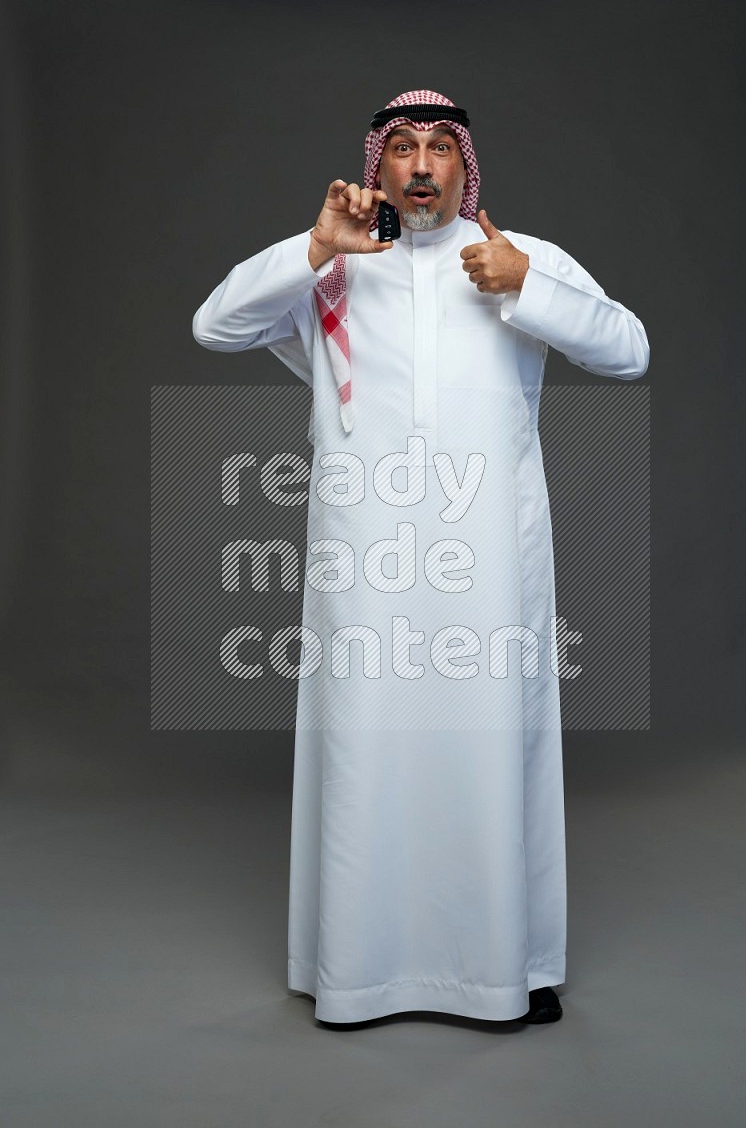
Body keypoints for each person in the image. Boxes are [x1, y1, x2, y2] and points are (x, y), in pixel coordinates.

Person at [192, 89, 649, 1029]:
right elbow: (216, 325)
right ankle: (357, 971)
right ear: (378, 167)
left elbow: (630, 352)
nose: (423, 165)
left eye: (442, 147)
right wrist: (315, 248)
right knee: (366, 751)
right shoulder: (338, 270)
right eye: (402, 148)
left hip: (487, 563)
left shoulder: (520, 258)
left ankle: (508, 963)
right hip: (366, 563)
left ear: (464, 165)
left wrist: (527, 284)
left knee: (495, 750)